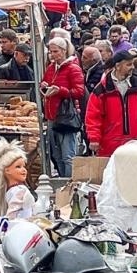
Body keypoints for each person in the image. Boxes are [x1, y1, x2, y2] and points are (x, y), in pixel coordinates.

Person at [85, 47, 137, 156]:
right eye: (128, 64)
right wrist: (94, 138)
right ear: (117, 66)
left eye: (132, 64)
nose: (132, 67)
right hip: (110, 143)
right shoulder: (102, 89)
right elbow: (93, 116)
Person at [42, 38, 85, 178]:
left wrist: (60, 90)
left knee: (67, 155)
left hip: (66, 116)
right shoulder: (51, 68)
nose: (52, 54)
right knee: (56, 155)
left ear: (64, 51)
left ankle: (69, 186)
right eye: (50, 51)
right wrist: (44, 86)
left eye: (55, 51)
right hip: (51, 115)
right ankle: (62, 182)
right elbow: (46, 82)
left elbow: (79, 91)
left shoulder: (73, 68)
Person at [0, 138, 35, 221]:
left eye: (24, 166)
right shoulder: (20, 191)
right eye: (18, 167)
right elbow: (11, 216)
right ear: (7, 170)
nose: (23, 170)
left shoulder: (9, 191)